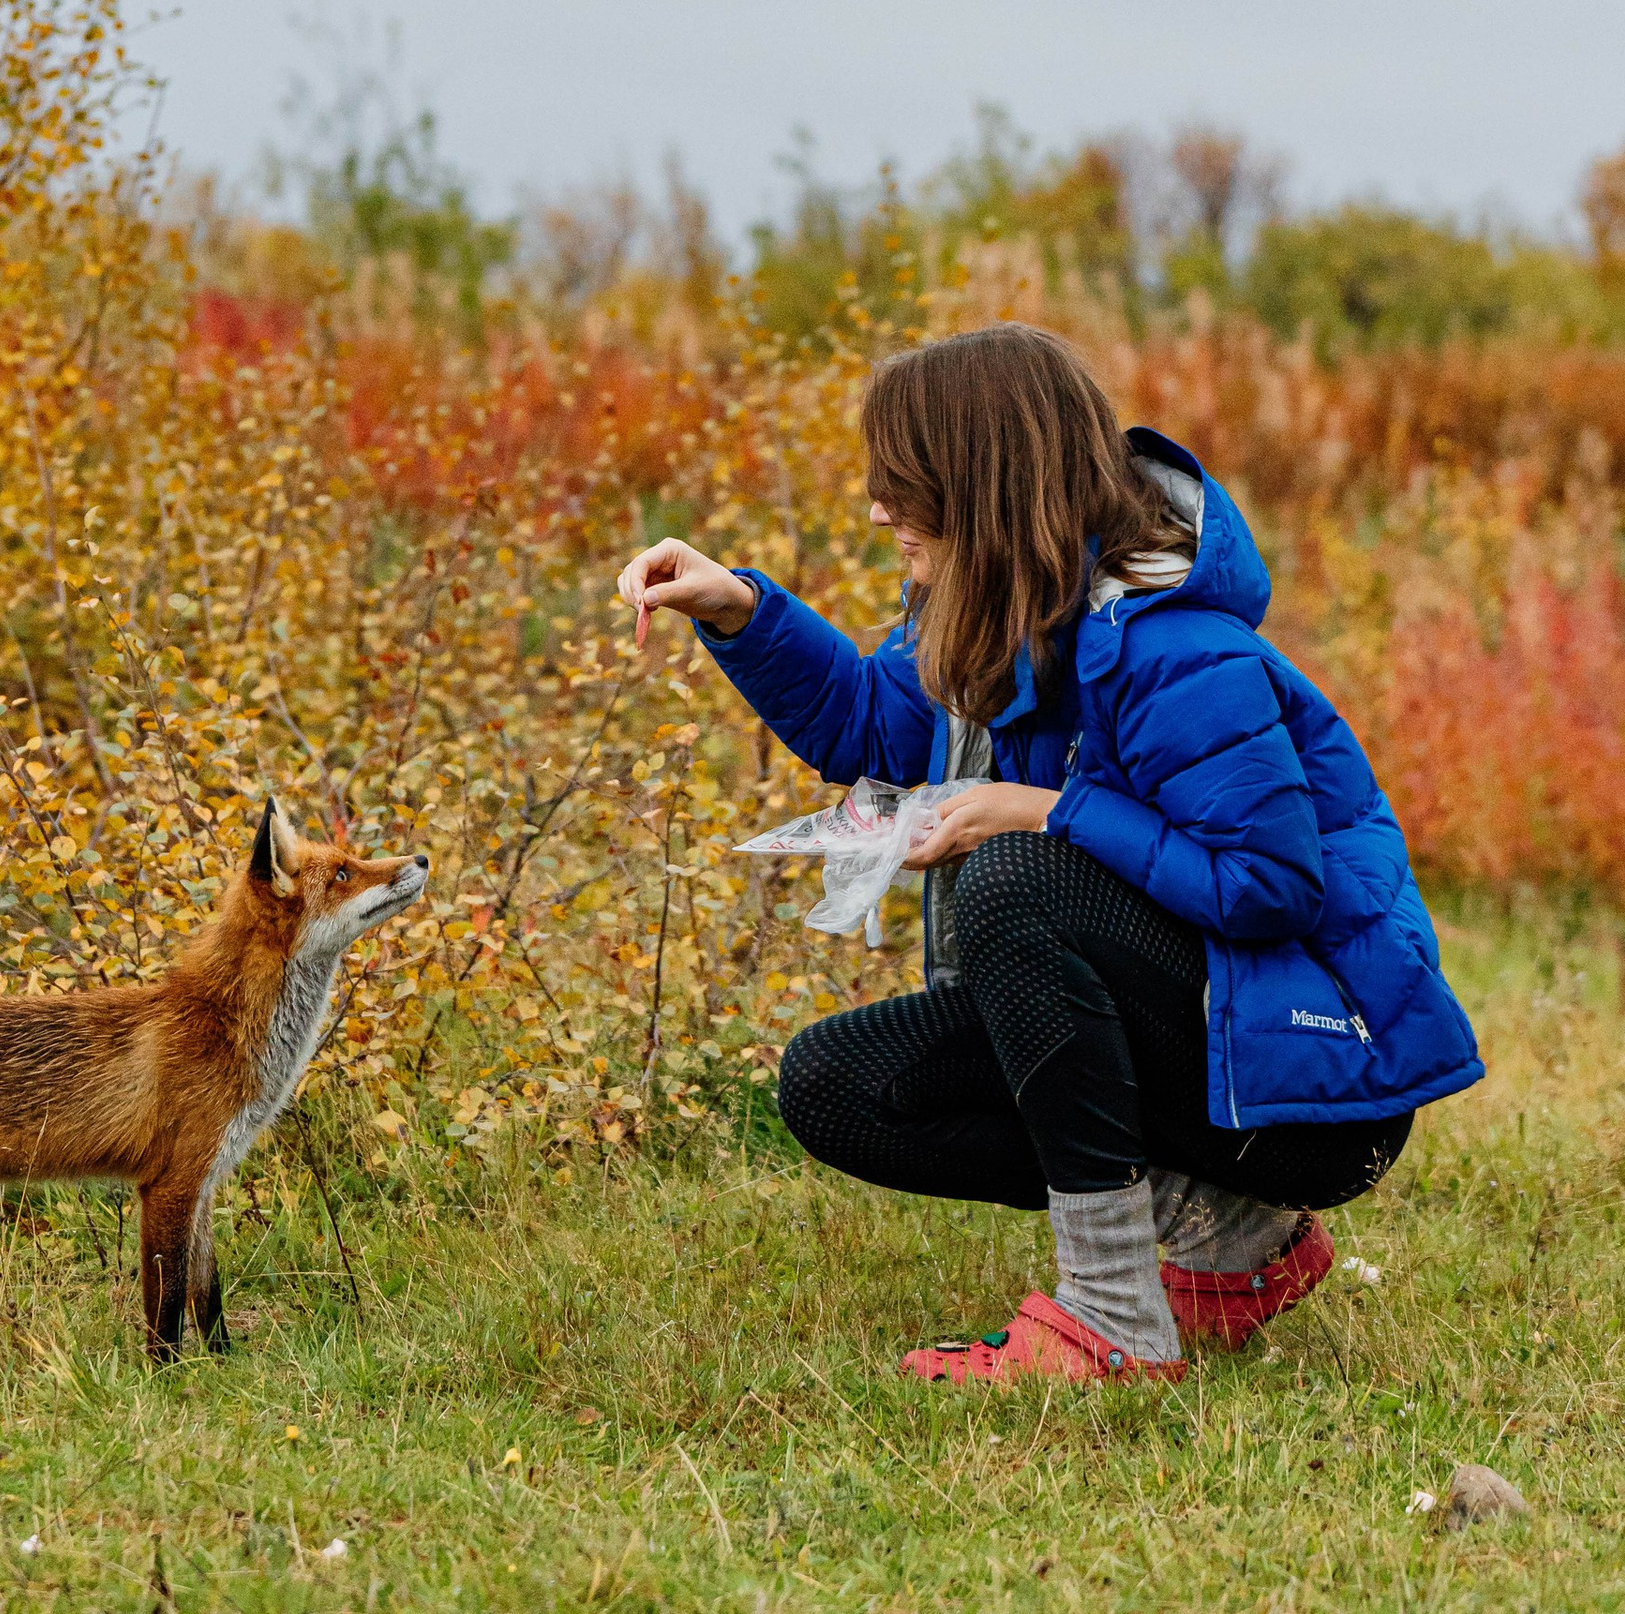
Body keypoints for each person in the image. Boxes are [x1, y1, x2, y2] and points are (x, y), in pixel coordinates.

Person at [614, 322, 1481, 1384]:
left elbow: (1268, 887)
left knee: (1015, 881)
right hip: (1205, 1065)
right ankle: (1239, 1244)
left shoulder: (1176, 647)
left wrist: (1043, 809)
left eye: (901, 481)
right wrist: (740, 610)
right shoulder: (1002, 615)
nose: (878, 508)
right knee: (834, 1085)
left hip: (1305, 1090)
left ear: (979, 484)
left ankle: (1113, 1317)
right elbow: (877, 733)